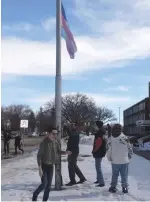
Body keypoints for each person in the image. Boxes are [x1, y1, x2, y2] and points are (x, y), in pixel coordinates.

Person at [32, 127, 66, 201]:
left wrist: (65, 152)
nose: (55, 135)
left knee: (49, 187)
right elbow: (39, 156)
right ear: (49, 134)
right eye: (53, 134)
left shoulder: (56, 142)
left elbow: (58, 151)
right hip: (44, 166)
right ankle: (35, 195)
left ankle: (45, 200)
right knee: (44, 184)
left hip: (51, 166)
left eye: (56, 134)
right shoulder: (44, 143)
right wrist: (40, 168)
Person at [107, 124, 133, 194]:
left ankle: (113, 187)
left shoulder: (110, 139)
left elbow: (109, 150)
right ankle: (124, 187)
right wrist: (129, 156)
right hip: (124, 160)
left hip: (115, 161)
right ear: (121, 130)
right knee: (124, 175)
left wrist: (109, 158)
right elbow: (130, 148)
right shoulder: (125, 138)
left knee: (115, 174)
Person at [65, 122, 86, 186]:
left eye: (73, 125)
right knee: (73, 165)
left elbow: (71, 134)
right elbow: (71, 135)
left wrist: (67, 128)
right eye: (71, 125)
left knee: (71, 166)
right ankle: (82, 178)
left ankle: (73, 180)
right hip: (73, 151)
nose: (71, 126)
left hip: (73, 151)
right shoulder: (74, 132)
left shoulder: (75, 132)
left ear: (76, 127)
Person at [92, 121, 106, 187]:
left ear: (98, 126)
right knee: (98, 166)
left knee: (98, 167)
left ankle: (101, 182)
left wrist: (94, 151)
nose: (94, 126)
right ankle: (98, 179)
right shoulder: (102, 132)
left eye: (95, 125)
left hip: (98, 152)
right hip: (101, 151)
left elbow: (98, 144)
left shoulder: (99, 133)